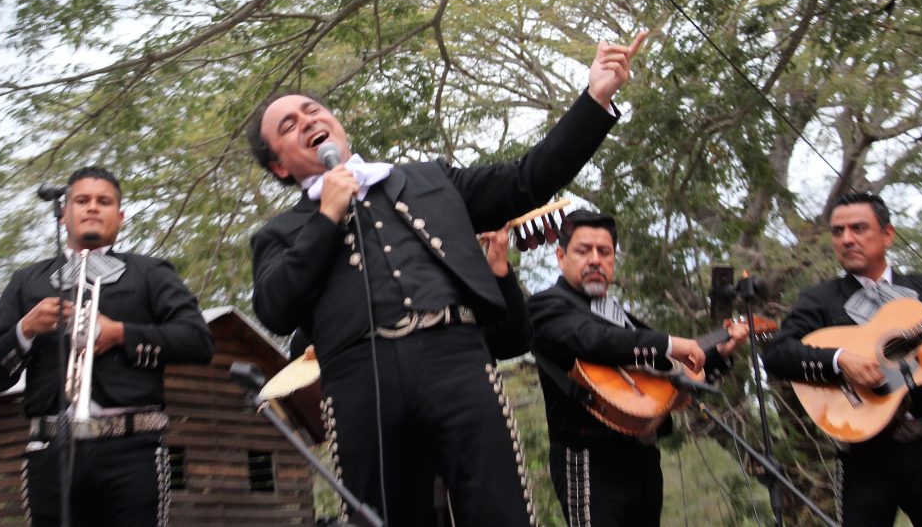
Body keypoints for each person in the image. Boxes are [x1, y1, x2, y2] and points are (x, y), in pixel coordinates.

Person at [247, 32, 647, 526]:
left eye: (313, 109)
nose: (309, 119)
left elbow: (529, 177)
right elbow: (273, 308)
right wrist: (327, 215)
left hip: (454, 359)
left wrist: (596, 98)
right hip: (359, 381)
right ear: (279, 165)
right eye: (290, 125)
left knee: (499, 511)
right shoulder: (279, 233)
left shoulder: (428, 179)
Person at [0, 166, 215, 527]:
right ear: (62, 215)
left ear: (120, 218)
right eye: (82, 201)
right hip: (50, 452)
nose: (92, 208)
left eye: (104, 202)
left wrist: (120, 333)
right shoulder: (27, 281)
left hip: (132, 448)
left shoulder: (150, 273)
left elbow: (198, 341)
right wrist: (25, 329)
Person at [528, 209, 747, 526]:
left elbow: (666, 376)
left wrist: (720, 354)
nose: (595, 260)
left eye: (604, 252)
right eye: (583, 250)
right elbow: (595, 340)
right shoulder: (547, 305)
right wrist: (670, 343)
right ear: (561, 256)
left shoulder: (622, 317)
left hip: (642, 458)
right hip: (589, 459)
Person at [762, 192, 922, 526]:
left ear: (888, 234)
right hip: (864, 457)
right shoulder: (820, 299)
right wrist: (839, 360)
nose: (847, 239)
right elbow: (778, 354)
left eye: (858, 228)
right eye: (838, 232)